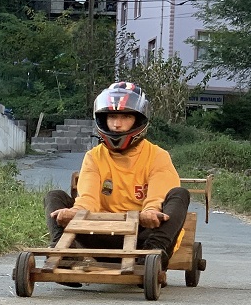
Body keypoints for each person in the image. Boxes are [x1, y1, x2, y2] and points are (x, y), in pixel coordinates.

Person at [45, 82, 190, 287]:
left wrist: (150, 211)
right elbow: (88, 196)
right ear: (103, 120)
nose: (117, 125)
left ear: (138, 120)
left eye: (125, 117)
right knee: (54, 196)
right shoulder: (94, 157)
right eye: (112, 117)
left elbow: (159, 192)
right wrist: (76, 211)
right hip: (100, 233)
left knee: (179, 194)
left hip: (143, 237)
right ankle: (64, 254)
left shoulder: (158, 156)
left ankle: (153, 258)